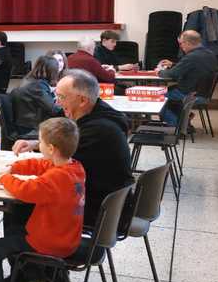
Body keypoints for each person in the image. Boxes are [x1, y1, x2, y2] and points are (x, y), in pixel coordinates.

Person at [0, 118, 86, 282]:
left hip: (50, 242)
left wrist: (4, 178)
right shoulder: (74, 167)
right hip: (68, 238)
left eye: (41, 142)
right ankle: (47, 279)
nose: (38, 146)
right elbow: (42, 165)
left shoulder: (55, 178)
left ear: (51, 148)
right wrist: (14, 167)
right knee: (15, 230)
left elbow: (27, 190)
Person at [12, 69, 133, 227]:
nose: (57, 102)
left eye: (62, 97)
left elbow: (56, 168)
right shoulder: (99, 113)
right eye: (56, 96)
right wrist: (35, 144)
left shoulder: (97, 130)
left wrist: (10, 177)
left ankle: (23, 242)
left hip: (100, 210)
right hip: (108, 200)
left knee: (20, 204)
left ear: (82, 100)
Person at [157, 30, 218, 126]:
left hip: (190, 95)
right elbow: (193, 68)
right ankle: (184, 119)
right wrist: (173, 64)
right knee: (169, 91)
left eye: (181, 43)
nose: (181, 46)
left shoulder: (191, 57)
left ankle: (176, 125)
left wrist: (159, 71)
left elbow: (172, 74)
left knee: (158, 96)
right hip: (203, 94)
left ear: (188, 43)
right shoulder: (210, 54)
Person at [9, 56, 60, 134]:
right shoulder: (38, 86)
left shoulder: (29, 79)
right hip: (30, 128)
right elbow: (53, 109)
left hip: (21, 123)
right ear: (52, 72)